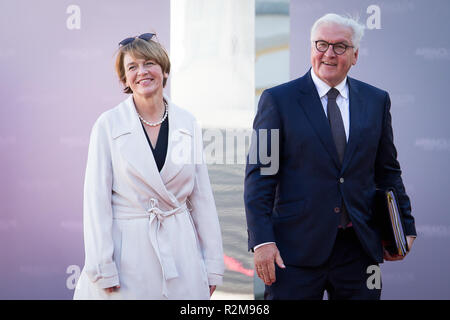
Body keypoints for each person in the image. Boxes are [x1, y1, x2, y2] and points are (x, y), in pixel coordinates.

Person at [244, 14, 417, 300]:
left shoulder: (376, 101)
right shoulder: (277, 100)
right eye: (321, 44)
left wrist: (405, 227)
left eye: (340, 46)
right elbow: (261, 175)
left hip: (359, 249)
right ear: (311, 48)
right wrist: (262, 240)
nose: (329, 54)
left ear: (355, 55)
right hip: (293, 252)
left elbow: (388, 171)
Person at [74, 33, 224, 300]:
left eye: (149, 63)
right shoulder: (108, 125)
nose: (142, 72)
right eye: (132, 67)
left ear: (164, 69)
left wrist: (212, 265)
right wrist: (102, 265)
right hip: (126, 258)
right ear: (124, 79)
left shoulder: (187, 123)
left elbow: (202, 199)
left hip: (180, 255)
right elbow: (96, 202)